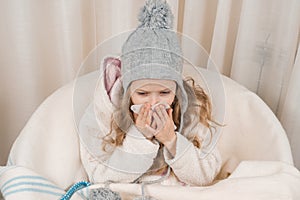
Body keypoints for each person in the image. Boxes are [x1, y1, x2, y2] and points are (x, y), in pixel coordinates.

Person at [79, 0, 221, 187]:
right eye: (143, 93)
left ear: (177, 90)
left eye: (164, 92)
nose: (154, 102)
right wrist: (140, 136)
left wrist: (171, 140)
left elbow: (206, 175)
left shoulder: (192, 110)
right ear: (127, 91)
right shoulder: (104, 111)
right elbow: (100, 176)